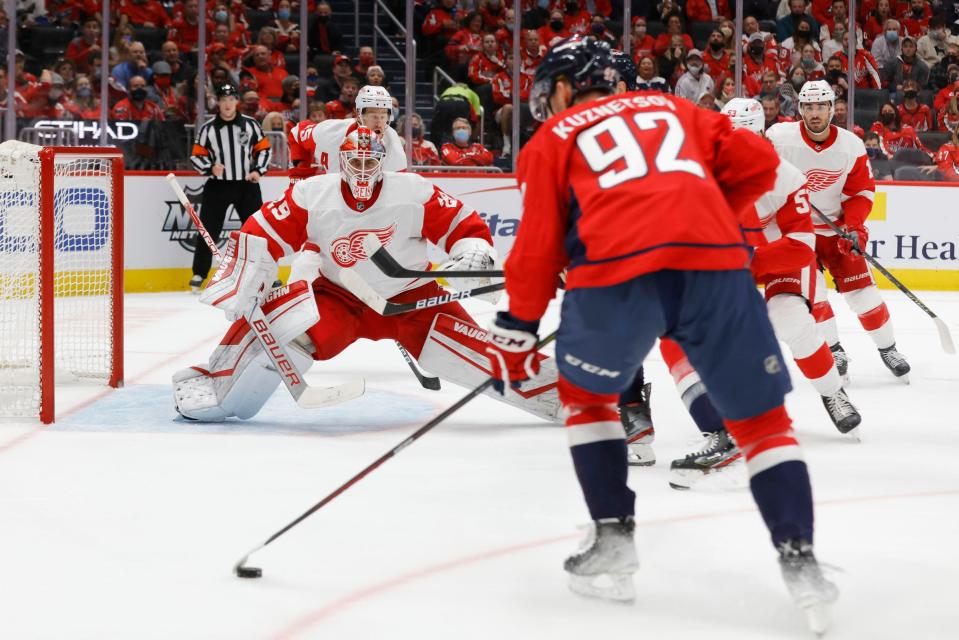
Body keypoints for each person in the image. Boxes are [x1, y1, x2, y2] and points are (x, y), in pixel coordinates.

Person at [485, 37, 836, 632]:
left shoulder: (552, 138)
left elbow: (539, 246)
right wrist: (708, 218)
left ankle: (614, 538)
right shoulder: (680, 109)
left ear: (570, 87)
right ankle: (801, 562)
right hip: (715, 269)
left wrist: (519, 324)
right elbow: (756, 162)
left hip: (614, 275)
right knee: (763, 426)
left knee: (588, 399)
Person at [173, 127, 557, 426]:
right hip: (340, 298)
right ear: (341, 161)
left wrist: (472, 253)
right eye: (353, 162)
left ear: (382, 162)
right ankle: (213, 382)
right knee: (282, 320)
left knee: (489, 359)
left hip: (412, 301)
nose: (360, 170)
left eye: (368, 162)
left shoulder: (412, 191)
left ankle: (574, 395)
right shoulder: (313, 194)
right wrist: (246, 278)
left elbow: (463, 226)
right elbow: (263, 232)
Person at [767, 81, 911, 382]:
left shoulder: (851, 145)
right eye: (808, 106)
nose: (815, 113)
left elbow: (861, 192)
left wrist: (855, 227)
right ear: (800, 109)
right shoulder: (779, 138)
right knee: (815, 296)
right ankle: (834, 349)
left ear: (833, 109)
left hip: (836, 230)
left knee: (864, 294)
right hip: (797, 233)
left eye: (821, 106)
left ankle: (888, 348)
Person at [188, 84, 272, 292]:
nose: (227, 104)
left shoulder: (251, 125)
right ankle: (199, 273)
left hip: (247, 185)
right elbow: (196, 156)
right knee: (208, 230)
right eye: (223, 100)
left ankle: (266, 273)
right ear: (218, 102)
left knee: (257, 232)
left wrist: (258, 171)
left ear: (237, 102)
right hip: (218, 186)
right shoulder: (208, 129)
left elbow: (263, 150)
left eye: (231, 99)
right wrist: (210, 168)